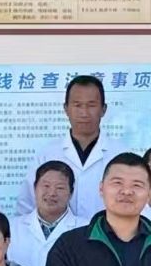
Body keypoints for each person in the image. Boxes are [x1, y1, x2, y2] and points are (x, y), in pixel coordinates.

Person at [15, 75, 129, 218]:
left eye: (91, 105)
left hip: (107, 232)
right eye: (77, 105)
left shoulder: (121, 154)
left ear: (103, 109)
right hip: (59, 233)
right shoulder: (48, 154)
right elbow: (27, 207)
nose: (84, 113)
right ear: (66, 109)